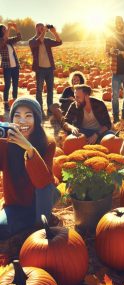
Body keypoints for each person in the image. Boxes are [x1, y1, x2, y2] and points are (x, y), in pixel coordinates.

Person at [0, 97, 59, 239]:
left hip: (42, 198)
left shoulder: (48, 143)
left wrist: (29, 149)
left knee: (46, 190)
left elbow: (43, 181)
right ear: (11, 119)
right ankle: (30, 221)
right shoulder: (5, 143)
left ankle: (40, 226)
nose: (22, 121)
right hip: (15, 203)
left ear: (37, 119)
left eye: (28, 116)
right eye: (17, 115)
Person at [29, 23, 62, 117]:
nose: (42, 29)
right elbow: (39, 41)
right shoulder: (32, 41)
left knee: (50, 89)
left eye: (42, 28)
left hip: (49, 68)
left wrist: (54, 32)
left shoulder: (47, 40)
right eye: (40, 28)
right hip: (40, 69)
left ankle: (50, 107)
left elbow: (59, 42)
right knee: (39, 90)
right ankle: (39, 108)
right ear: (36, 29)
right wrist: (44, 32)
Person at [0, 22, 21, 112]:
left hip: (15, 66)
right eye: (4, 29)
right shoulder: (1, 41)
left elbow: (19, 37)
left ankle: (15, 102)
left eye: (6, 29)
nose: (6, 30)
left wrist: (16, 28)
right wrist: (9, 28)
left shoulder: (9, 41)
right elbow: (4, 39)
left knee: (15, 84)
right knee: (7, 85)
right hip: (7, 67)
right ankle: (6, 104)